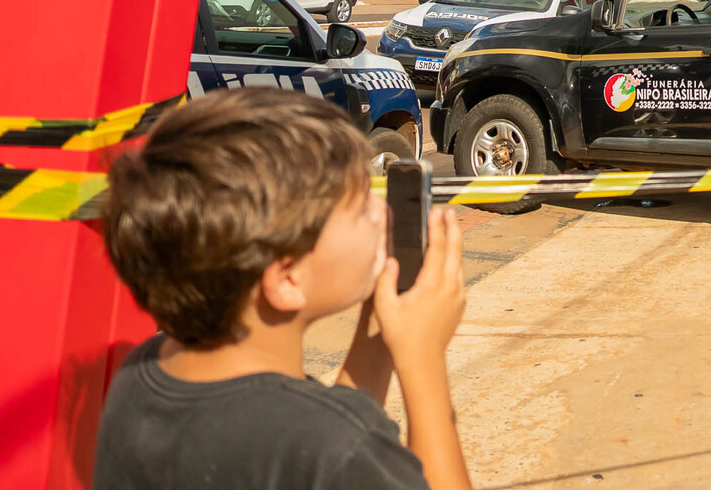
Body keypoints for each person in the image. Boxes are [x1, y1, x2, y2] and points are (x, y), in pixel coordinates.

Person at [95, 87, 472, 490]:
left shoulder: (143, 373)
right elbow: (329, 448)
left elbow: (314, 435)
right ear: (287, 278)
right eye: (362, 207)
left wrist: (378, 324)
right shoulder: (341, 449)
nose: (384, 212)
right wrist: (424, 360)